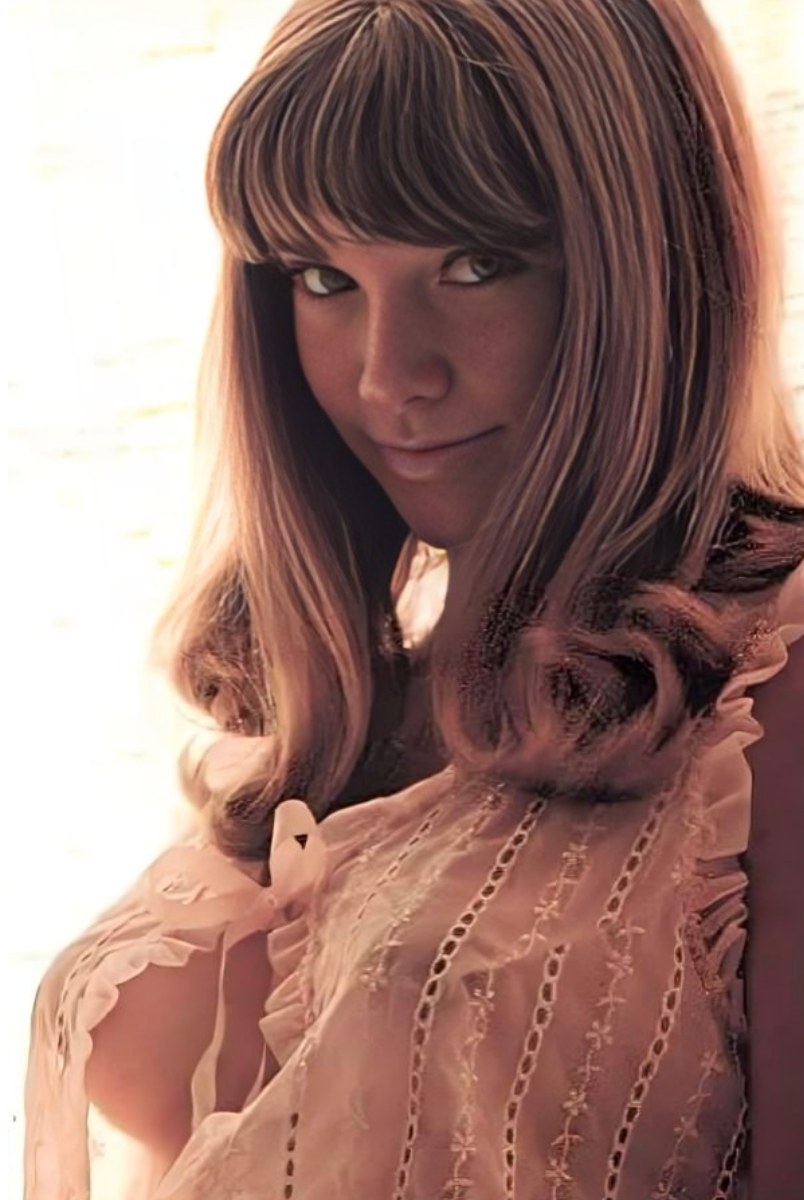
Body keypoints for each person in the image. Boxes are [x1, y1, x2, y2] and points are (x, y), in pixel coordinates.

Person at [24, 1, 804, 1197]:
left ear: (655, 259)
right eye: (325, 277)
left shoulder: (766, 691)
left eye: (475, 265)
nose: (389, 375)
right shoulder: (326, 722)